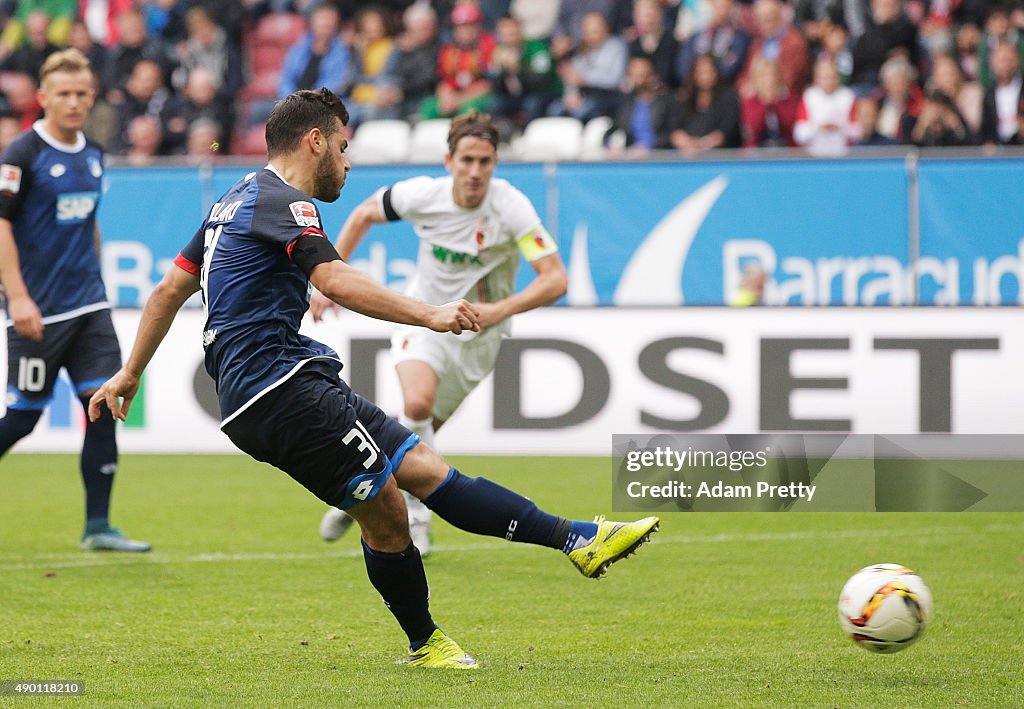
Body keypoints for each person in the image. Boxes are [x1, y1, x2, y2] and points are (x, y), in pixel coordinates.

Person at [88, 89, 659, 668]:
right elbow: (333, 280)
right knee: (386, 507)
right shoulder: (285, 203)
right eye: (342, 145)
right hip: (275, 390)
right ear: (316, 141)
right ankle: (427, 643)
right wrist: (430, 312)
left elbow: (167, 291)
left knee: (424, 470)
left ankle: (578, 538)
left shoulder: (234, 201)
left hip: (291, 378)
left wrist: (130, 373)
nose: (348, 160)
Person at [313, 109, 571, 556]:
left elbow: (555, 279)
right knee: (417, 403)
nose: (475, 171)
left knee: (416, 439)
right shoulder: (421, 195)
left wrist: (497, 311)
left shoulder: (511, 209)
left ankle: (365, 487)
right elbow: (362, 215)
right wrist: (330, 281)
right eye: (467, 160)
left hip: (480, 339)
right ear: (449, 160)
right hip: (426, 318)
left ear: (494, 164)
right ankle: (416, 521)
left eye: (485, 162)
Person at [0, 49, 150, 552]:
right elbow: (1, 225)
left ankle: (99, 526)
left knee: (103, 408)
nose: (73, 103)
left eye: (81, 93)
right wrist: (17, 296)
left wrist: (97, 277)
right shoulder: (21, 154)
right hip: (38, 311)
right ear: (42, 98)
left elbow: (89, 223)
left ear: (92, 97)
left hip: (89, 308)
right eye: (62, 94)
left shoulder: (94, 152)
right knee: (21, 418)